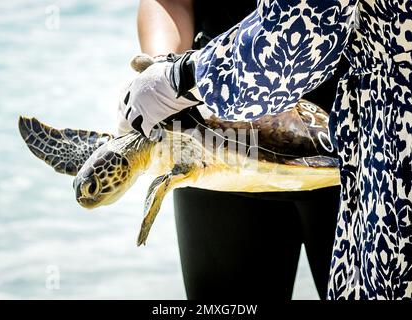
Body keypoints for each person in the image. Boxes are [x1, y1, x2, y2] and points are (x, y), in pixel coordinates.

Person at [126, 0, 412, 299]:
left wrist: (176, 80)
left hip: (361, 141)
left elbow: (303, 26)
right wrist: (159, 68)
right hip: (216, 136)